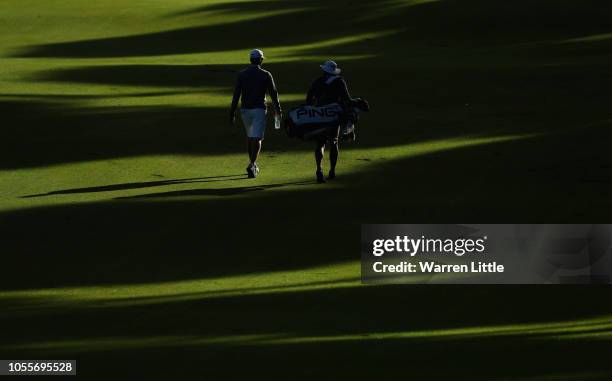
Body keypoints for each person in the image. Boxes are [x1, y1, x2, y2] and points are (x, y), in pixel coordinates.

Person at [230, 49, 282, 178]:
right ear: (260, 60)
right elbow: (273, 93)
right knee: (257, 138)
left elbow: (236, 95)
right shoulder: (266, 74)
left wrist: (232, 112)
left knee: (250, 137)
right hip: (259, 109)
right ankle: (252, 164)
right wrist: (278, 109)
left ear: (250, 60)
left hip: (245, 110)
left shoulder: (242, 74)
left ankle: (252, 164)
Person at [306, 60, 351, 183]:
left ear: (324, 70)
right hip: (333, 114)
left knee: (320, 143)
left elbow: (309, 99)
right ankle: (332, 170)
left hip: (320, 114)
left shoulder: (318, 81)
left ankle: (319, 170)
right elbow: (346, 99)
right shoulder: (340, 81)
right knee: (334, 142)